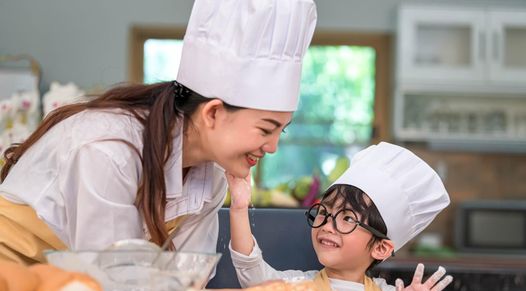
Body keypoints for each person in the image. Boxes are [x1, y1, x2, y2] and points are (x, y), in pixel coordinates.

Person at [0, 0, 317, 264]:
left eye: (281, 132)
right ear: (213, 113)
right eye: (266, 129)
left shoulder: (210, 179)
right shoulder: (109, 150)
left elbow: (185, 281)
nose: (273, 147)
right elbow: (111, 281)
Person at [228, 142, 456, 291]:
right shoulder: (297, 287)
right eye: (325, 213)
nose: (327, 225)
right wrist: (239, 208)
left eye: (347, 218)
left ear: (381, 247)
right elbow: (254, 277)